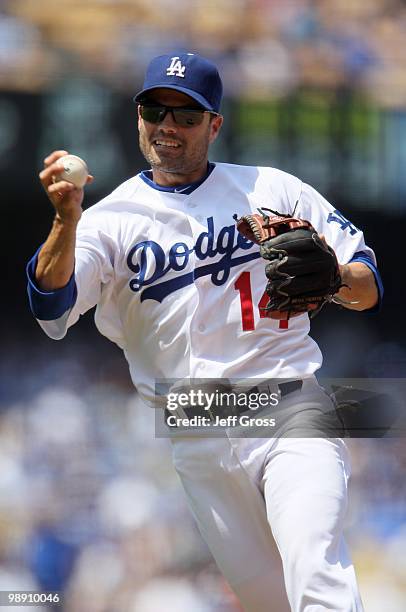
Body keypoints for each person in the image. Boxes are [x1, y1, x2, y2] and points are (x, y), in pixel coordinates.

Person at [27, 52, 382, 611]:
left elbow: (367, 284)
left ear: (214, 125)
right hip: (196, 425)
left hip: (289, 405)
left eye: (186, 114)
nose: (168, 125)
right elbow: (51, 306)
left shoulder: (271, 188)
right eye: (155, 109)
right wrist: (66, 219)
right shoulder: (110, 219)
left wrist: (337, 276)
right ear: (138, 116)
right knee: (270, 603)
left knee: (316, 572)